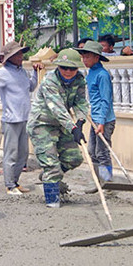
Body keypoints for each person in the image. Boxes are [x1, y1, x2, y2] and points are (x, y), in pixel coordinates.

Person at [0, 41, 42, 195]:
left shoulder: (22, 72)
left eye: (21, 54)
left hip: (25, 118)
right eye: (17, 54)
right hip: (11, 119)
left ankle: (15, 181)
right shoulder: (3, 72)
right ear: (9, 58)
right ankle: (9, 185)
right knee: (11, 154)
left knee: (23, 154)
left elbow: (31, 87)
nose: (21, 56)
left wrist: (35, 73)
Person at [26, 49, 89, 208]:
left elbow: (81, 102)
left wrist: (80, 121)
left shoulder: (80, 80)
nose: (68, 72)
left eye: (72, 68)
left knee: (74, 158)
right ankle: (52, 202)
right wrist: (73, 127)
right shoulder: (50, 82)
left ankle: (50, 175)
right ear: (58, 67)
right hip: (42, 124)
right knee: (51, 165)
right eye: (64, 67)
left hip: (62, 124)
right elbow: (58, 108)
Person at [76, 40, 116, 182]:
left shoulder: (102, 75)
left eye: (87, 57)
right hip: (94, 118)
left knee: (102, 152)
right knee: (92, 152)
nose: (84, 60)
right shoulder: (91, 73)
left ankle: (108, 183)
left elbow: (106, 100)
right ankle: (99, 182)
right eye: (83, 57)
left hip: (104, 120)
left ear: (96, 58)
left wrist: (101, 122)